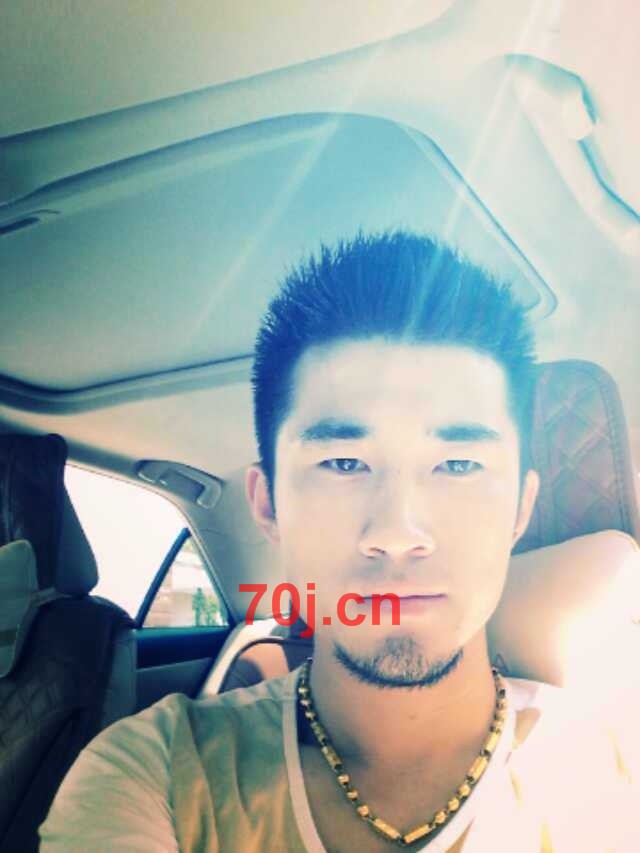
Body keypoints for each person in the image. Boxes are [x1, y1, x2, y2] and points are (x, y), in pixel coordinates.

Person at [40, 232, 636, 851]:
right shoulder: (156, 771)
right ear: (268, 505)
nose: (398, 534)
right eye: (344, 463)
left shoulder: (616, 766)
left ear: (520, 508)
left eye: (458, 465)